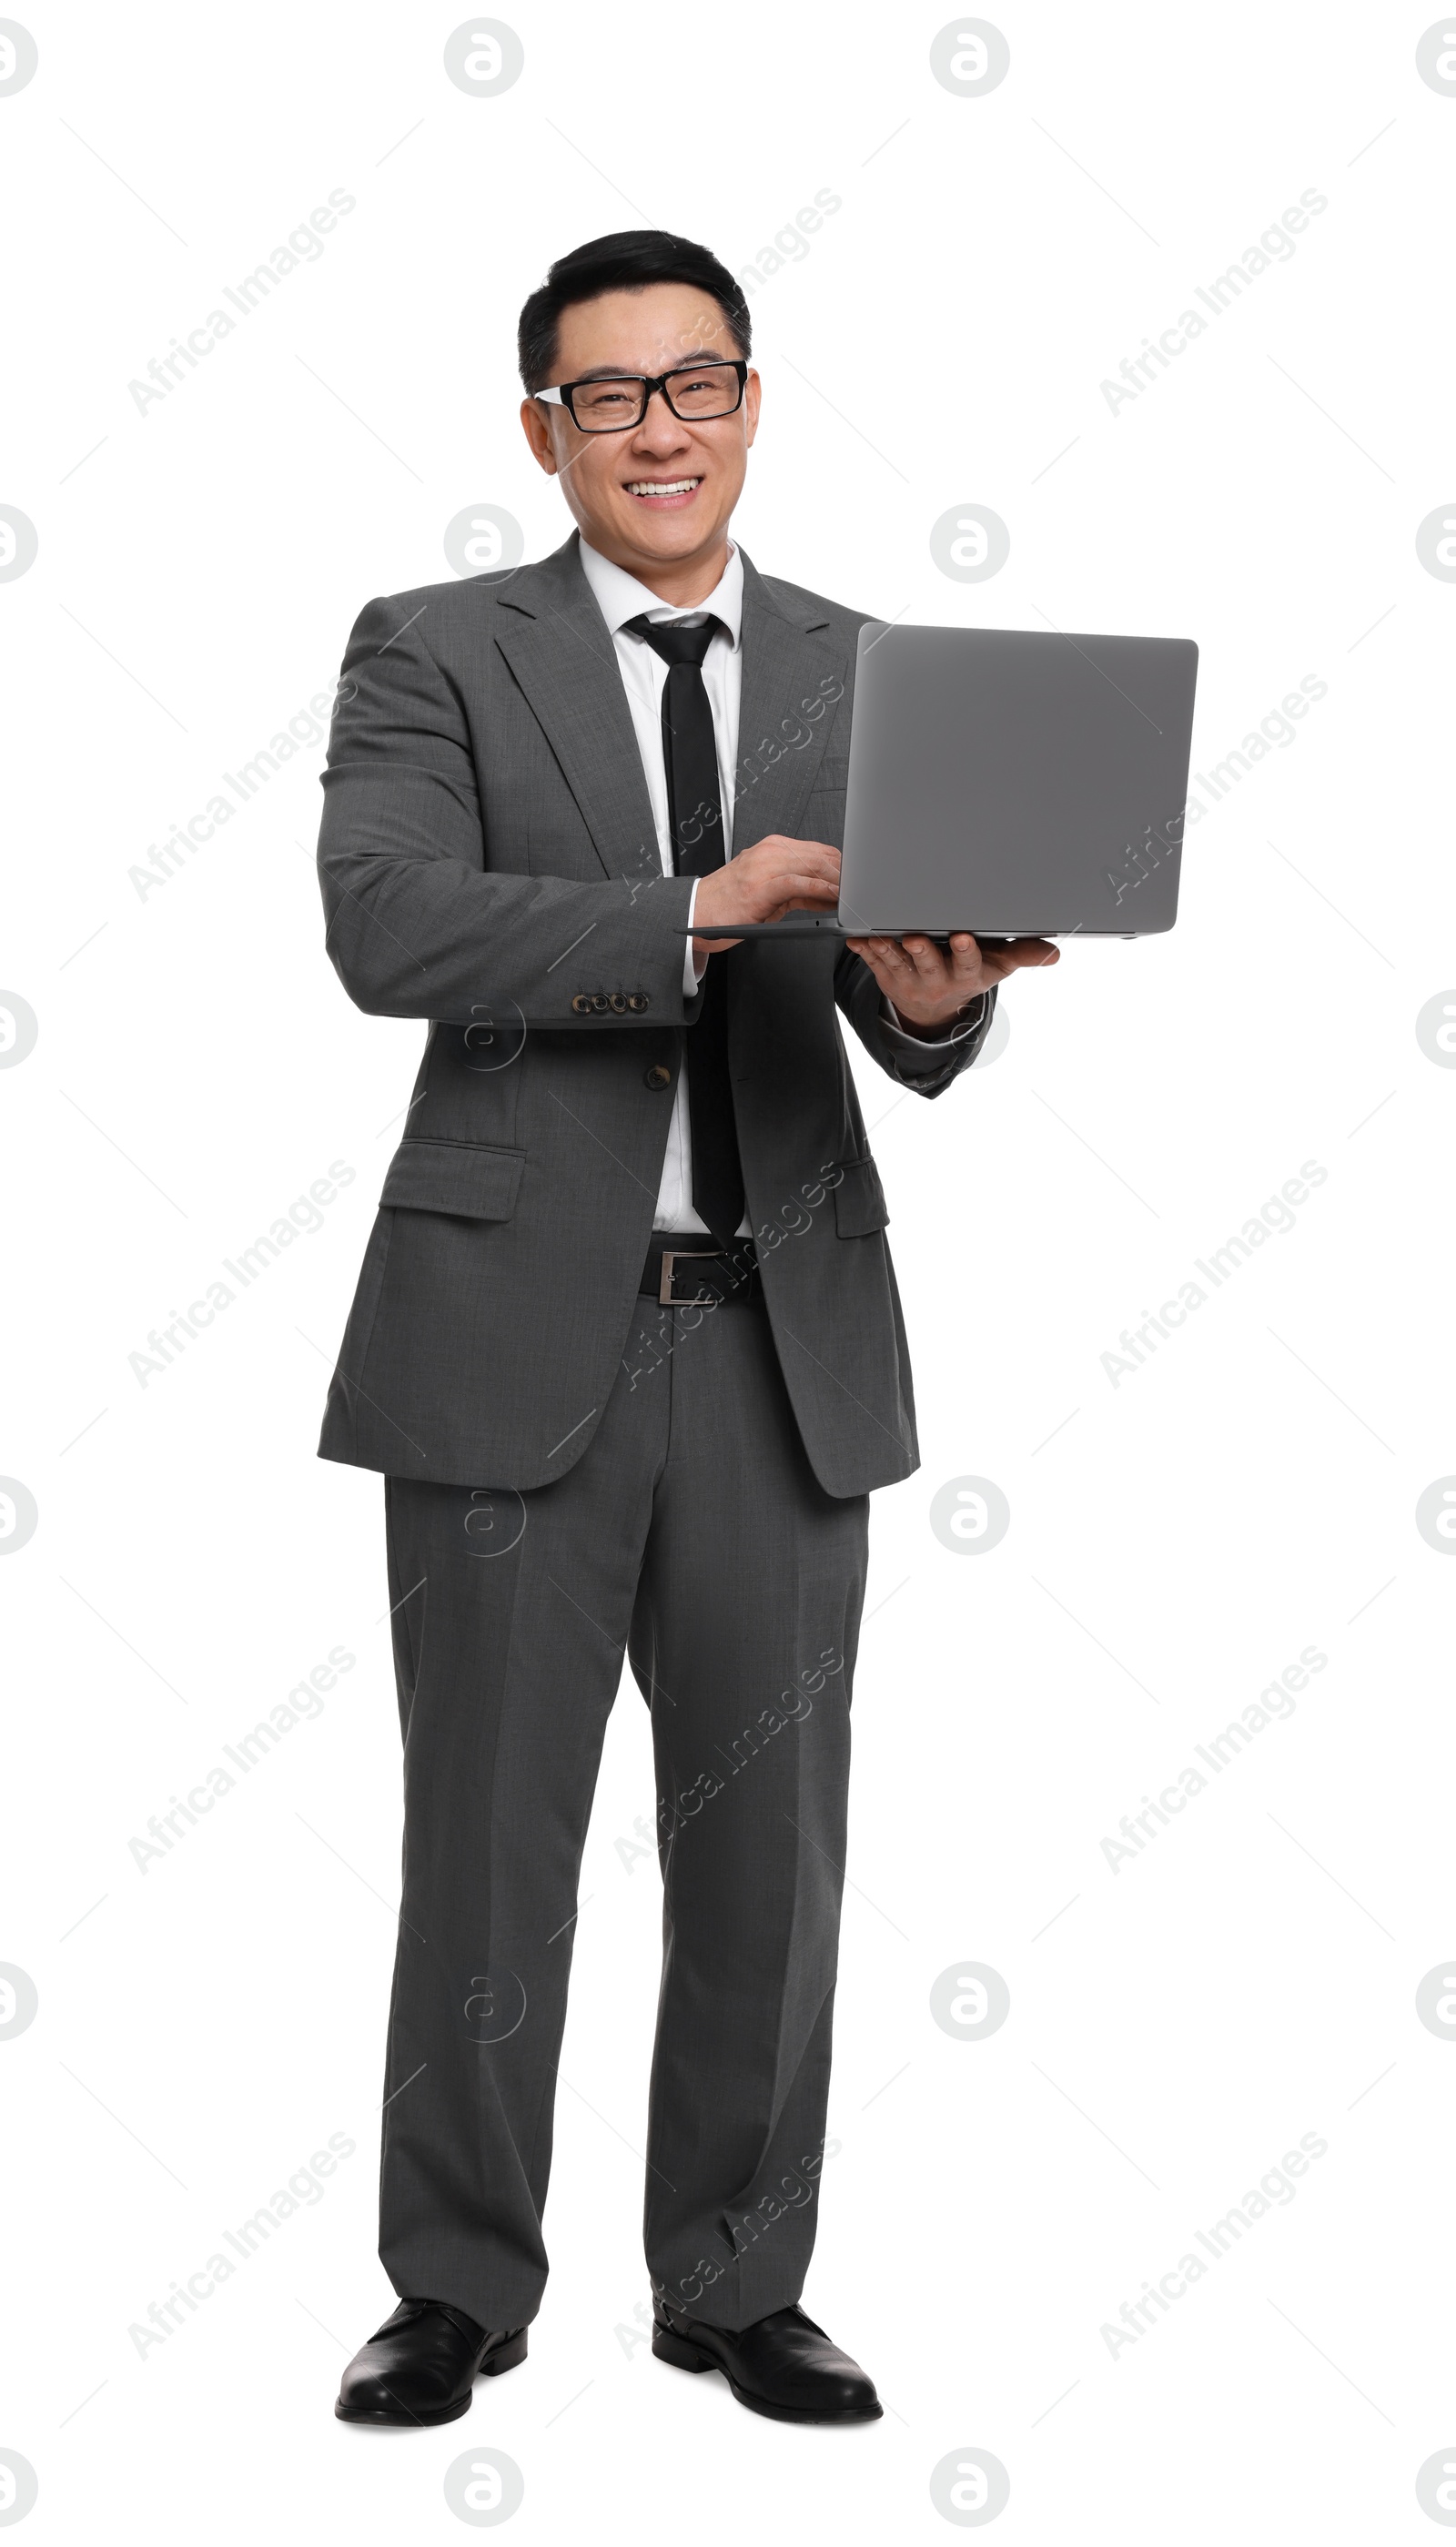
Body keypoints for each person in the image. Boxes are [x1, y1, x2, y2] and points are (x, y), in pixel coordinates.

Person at [318, 228, 1057, 2431]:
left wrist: (927, 1012)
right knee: (487, 1841)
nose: (659, 427)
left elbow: (885, 996)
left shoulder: (857, 665)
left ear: (751, 401)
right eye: (608, 393)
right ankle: (452, 2283)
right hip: (501, 1333)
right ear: (541, 429)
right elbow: (388, 921)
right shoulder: (433, 649)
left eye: (697, 382)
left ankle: (735, 2281)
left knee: (769, 1843)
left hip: (773, 1338)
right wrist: (695, 906)